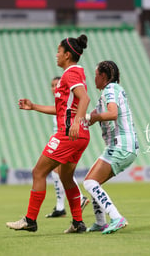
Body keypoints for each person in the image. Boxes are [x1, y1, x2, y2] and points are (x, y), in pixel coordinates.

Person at [6, 34, 90, 233]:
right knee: (66, 177)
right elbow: (62, 109)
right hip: (80, 136)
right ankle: (78, 223)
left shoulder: (70, 74)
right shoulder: (76, 73)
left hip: (68, 134)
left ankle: (30, 220)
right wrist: (34, 106)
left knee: (38, 172)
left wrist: (76, 122)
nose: (56, 55)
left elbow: (85, 99)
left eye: (59, 52)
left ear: (67, 55)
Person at [83, 61, 139, 234]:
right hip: (125, 145)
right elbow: (92, 117)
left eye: (96, 74)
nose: (94, 78)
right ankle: (100, 222)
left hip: (121, 144)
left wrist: (92, 117)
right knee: (93, 181)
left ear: (104, 76)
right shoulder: (110, 92)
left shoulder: (110, 90)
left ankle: (117, 217)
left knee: (90, 182)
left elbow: (112, 113)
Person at [46, 76, 89, 218]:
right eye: (52, 85)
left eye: (56, 85)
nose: (54, 88)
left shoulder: (67, 101)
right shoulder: (59, 103)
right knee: (57, 171)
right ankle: (60, 207)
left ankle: (79, 198)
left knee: (62, 173)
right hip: (61, 138)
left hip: (67, 140)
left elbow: (79, 109)